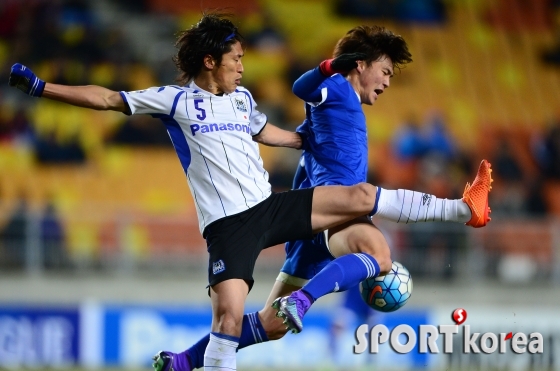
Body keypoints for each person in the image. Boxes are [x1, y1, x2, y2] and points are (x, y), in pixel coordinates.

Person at [9, 13, 492, 371]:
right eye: (236, 59)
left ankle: (461, 208)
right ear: (210, 60)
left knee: (361, 196)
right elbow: (109, 98)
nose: (243, 67)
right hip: (229, 227)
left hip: (270, 206)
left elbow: (272, 134)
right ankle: (188, 363)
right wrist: (41, 87)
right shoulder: (175, 101)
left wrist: (311, 140)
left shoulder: (242, 100)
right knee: (230, 321)